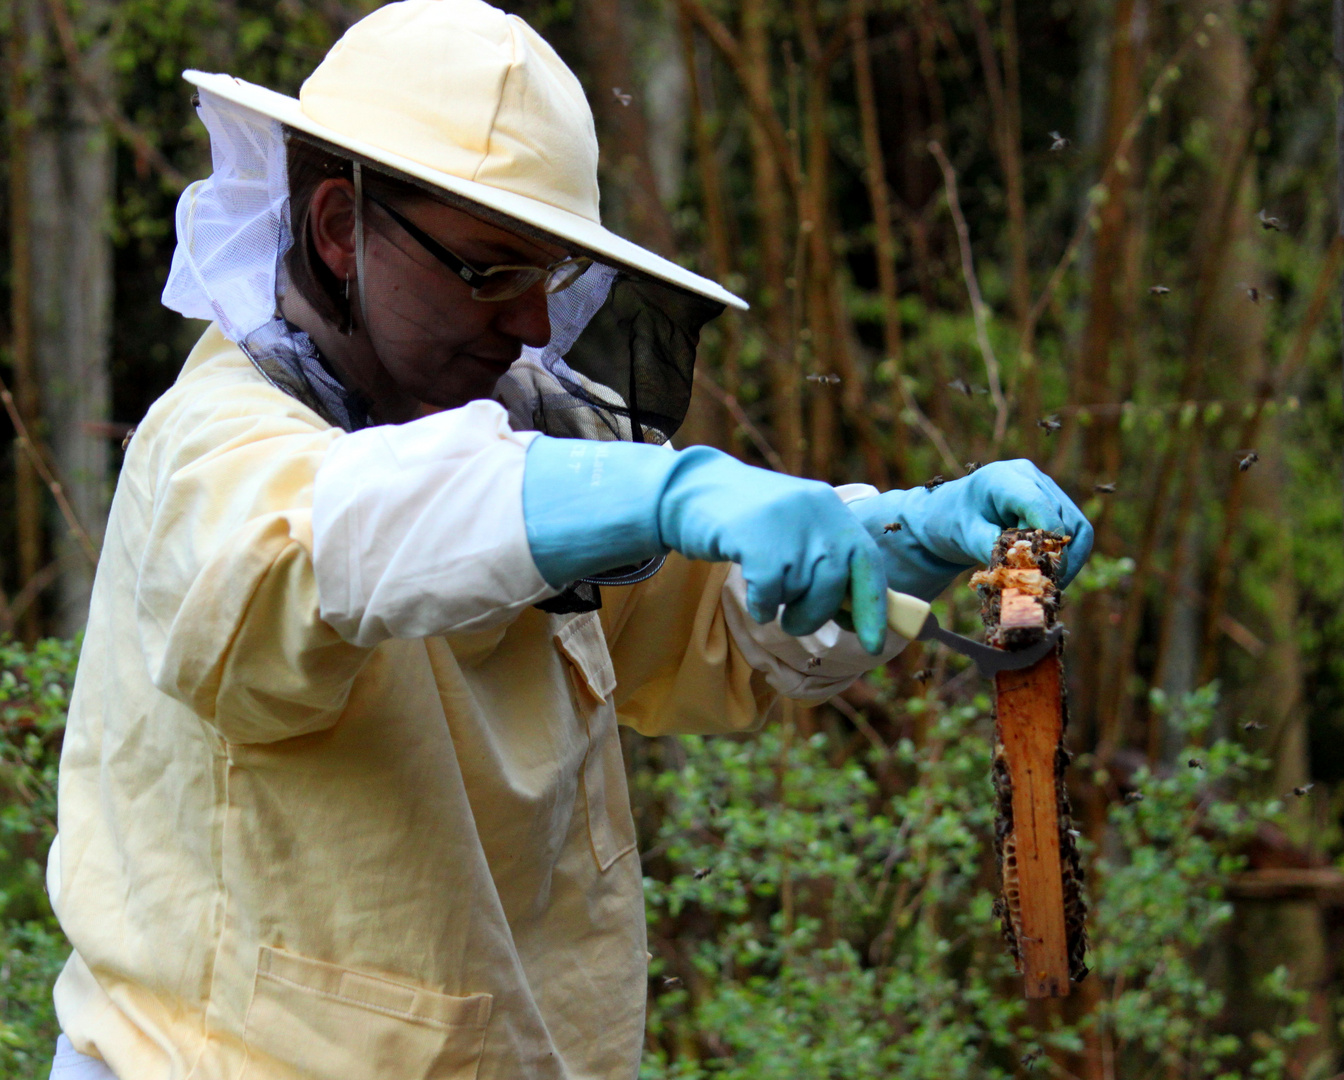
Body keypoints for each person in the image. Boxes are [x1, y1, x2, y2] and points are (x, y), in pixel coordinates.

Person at [46, 2, 1093, 1078]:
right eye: (493, 271)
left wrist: (903, 535)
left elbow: (712, 626)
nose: (534, 324)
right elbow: (326, 546)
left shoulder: (525, 432)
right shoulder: (216, 447)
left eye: (547, 276)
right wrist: (658, 491)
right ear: (336, 229)